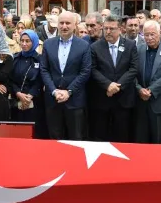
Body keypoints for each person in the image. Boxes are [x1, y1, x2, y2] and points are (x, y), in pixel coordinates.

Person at [40, 11, 92, 140]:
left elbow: (85, 72)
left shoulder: (84, 46)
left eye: (68, 23)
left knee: (76, 138)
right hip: (53, 100)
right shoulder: (48, 44)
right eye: (61, 23)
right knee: (55, 138)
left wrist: (69, 91)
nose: (64, 26)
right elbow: (44, 69)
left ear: (75, 25)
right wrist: (53, 91)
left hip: (75, 101)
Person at [89, 15, 138, 143]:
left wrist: (117, 86)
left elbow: (133, 68)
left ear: (121, 29)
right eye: (106, 28)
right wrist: (108, 85)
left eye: (112, 28)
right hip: (102, 98)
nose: (108, 32)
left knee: (122, 136)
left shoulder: (130, 45)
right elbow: (93, 69)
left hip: (123, 99)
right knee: (100, 136)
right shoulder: (95, 47)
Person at [134, 20, 161, 144]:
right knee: (140, 140)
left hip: (158, 102)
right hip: (141, 102)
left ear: (160, 33)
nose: (149, 38)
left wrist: (151, 90)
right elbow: (132, 72)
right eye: (146, 34)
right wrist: (139, 89)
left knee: (158, 140)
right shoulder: (138, 49)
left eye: (152, 34)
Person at [9, 29, 44, 130]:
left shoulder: (40, 59)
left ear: (34, 42)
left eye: (27, 41)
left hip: (34, 102)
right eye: (22, 40)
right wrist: (18, 93)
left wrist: (29, 96)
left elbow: (40, 79)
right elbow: (10, 79)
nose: (24, 44)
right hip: (17, 101)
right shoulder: (15, 58)